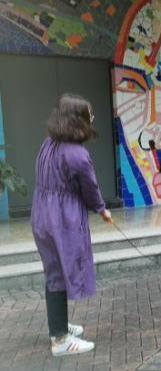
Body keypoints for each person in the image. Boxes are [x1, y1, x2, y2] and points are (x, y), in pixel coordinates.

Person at [31, 94, 113, 357]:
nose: (92, 118)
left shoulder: (47, 144)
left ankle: (58, 326)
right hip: (62, 220)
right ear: (78, 119)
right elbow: (90, 189)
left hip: (41, 216)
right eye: (89, 114)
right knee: (59, 274)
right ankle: (60, 340)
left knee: (54, 272)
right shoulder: (78, 154)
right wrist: (102, 209)